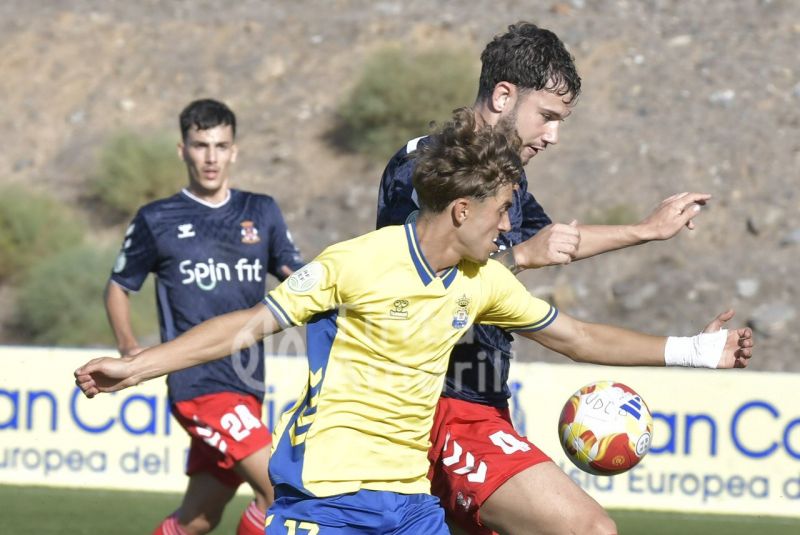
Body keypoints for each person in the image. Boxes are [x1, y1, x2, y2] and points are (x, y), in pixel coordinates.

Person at [78, 109, 753, 535]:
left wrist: (698, 349)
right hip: (325, 501)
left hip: (410, 511)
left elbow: (577, 336)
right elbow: (243, 325)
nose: (508, 229)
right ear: (461, 210)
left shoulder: (481, 281)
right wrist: (133, 366)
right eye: (500, 215)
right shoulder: (357, 264)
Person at [377, 22, 715, 535]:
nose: (553, 135)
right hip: (438, 402)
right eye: (548, 117)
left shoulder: (505, 176)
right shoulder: (424, 167)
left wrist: (645, 231)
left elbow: (553, 241)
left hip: (483, 399)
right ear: (503, 95)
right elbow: (413, 283)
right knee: (590, 530)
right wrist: (521, 259)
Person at [104, 98, 303, 535]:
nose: (210, 157)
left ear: (234, 150)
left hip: (248, 384)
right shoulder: (158, 219)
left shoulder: (262, 211)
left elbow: (296, 274)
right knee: (281, 493)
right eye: (200, 145)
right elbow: (119, 286)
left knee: (197, 520)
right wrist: (130, 350)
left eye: (220, 145)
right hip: (199, 384)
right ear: (182, 150)